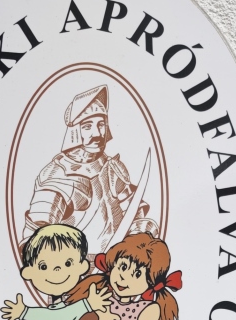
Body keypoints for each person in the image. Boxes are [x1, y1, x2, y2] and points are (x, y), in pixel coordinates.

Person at [19, 85, 156, 247]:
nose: (97, 134)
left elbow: (134, 214)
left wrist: (139, 238)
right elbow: (35, 239)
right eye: (87, 126)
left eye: (101, 124)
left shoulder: (112, 168)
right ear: (75, 131)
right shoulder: (57, 174)